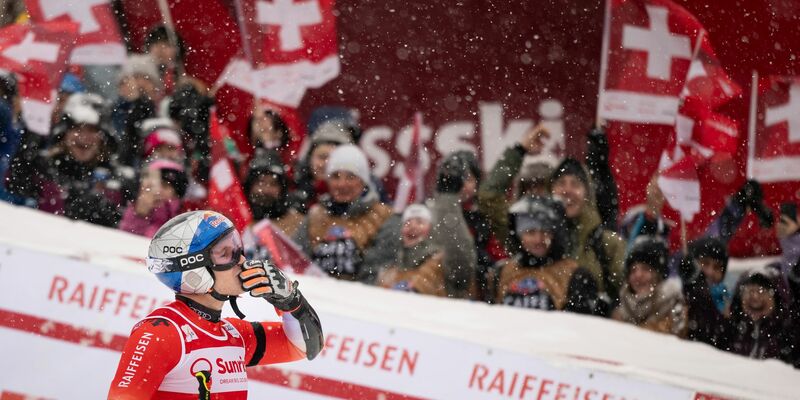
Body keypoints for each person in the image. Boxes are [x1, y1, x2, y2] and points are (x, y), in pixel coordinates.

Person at [108, 211, 323, 398]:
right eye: (225, 253)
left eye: (238, 249)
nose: (241, 261)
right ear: (195, 271)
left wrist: (291, 300)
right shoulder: (163, 333)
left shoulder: (233, 335)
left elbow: (306, 346)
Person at [6, 93, 135, 226]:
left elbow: (127, 227)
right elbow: (14, 198)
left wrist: (102, 211)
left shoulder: (119, 181)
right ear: (64, 134)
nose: (83, 137)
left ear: (104, 137)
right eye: (76, 128)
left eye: (92, 130)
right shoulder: (42, 168)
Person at [294, 144, 399, 282]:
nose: (342, 184)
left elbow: (378, 270)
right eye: (335, 176)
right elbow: (296, 261)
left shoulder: (384, 216)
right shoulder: (316, 215)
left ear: (363, 181)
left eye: (350, 176)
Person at [495, 196, 603, 314]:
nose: (538, 240)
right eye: (530, 232)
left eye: (545, 232)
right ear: (519, 236)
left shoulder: (576, 275)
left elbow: (579, 327)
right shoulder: (502, 272)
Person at [550, 157, 626, 304]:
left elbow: (630, 295)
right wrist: (519, 150)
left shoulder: (609, 244)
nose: (567, 191)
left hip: (591, 326)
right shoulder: (534, 239)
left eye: (575, 184)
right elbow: (492, 198)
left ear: (587, 194)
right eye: (561, 183)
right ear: (550, 191)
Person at [613, 238, 687, 337]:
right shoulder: (620, 313)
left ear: (659, 276)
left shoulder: (674, 306)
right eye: (633, 270)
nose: (638, 275)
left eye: (646, 269)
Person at [726, 266, 799, 366]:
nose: (755, 297)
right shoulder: (729, 330)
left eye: (762, 291)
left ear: (777, 300)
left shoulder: (790, 335)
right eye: (750, 291)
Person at [242, 151, 305, 260]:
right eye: (261, 182)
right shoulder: (238, 220)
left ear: (282, 189)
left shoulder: (298, 222)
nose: (266, 190)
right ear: (250, 186)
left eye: (273, 184)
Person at [377, 204, 446, 296]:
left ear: (430, 229)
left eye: (419, 222)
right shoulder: (394, 262)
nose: (413, 227)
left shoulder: (438, 258)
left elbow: (425, 281)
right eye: (408, 223)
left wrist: (409, 287)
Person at [118, 160, 187, 237]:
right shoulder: (134, 209)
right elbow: (124, 237)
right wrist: (140, 214)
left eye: (165, 186)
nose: (158, 191)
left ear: (176, 194)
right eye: (152, 186)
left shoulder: (182, 217)